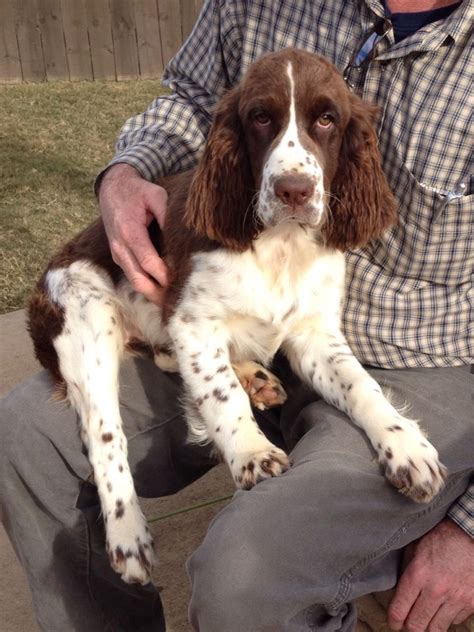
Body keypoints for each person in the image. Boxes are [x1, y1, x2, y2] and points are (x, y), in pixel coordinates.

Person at [1, 0, 472, 630]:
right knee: (25, 436)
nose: (293, 171)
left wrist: (470, 529)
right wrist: (123, 173)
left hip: (419, 361)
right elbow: (191, 97)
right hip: (234, 330)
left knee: (241, 576)